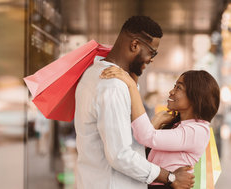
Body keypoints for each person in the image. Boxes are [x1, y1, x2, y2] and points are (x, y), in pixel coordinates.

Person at [74, 16, 194, 189]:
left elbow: (124, 140)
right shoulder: (113, 86)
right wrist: (170, 177)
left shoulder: (93, 75)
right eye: (152, 52)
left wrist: (152, 125)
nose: (152, 59)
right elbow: (120, 155)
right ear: (135, 45)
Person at [101, 69, 220, 189]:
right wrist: (157, 122)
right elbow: (138, 149)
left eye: (179, 88)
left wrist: (131, 86)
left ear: (195, 96)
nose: (171, 91)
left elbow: (146, 137)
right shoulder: (178, 126)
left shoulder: (197, 131)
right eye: (174, 86)